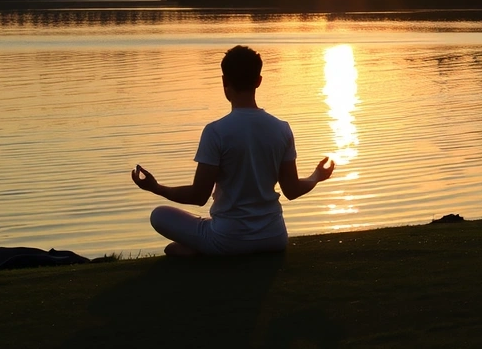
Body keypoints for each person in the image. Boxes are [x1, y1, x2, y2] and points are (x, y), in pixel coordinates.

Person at [131, 45, 335, 256]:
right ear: (258, 81)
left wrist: (157, 188)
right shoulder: (281, 128)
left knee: (159, 216)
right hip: (274, 237)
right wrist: (316, 176)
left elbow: (199, 195)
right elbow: (291, 190)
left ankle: (210, 251)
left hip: (228, 238)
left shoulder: (215, 132)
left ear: (224, 81)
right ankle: (213, 247)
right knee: (176, 246)